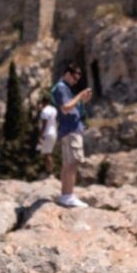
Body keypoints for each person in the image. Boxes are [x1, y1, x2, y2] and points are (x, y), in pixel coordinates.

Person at [52, 62, 92, 208]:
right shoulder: (61, 88)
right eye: (74, 78)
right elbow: (66, 108)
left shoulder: (66, 89)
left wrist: (82, 100)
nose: (75, 81)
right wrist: (80, 96)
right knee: (72, 162)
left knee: (69, 162)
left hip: (71, 129)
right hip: (70, 129)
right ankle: (67, 195)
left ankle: (66, 194)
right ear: (67, 74)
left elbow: (72, 106)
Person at [37, 102, 59, 175]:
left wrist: (40, 136)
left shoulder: (44, 111)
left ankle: (49, 171)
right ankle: (49, 170)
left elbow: (44, 125)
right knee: (48, 153)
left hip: (47, 133)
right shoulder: (54, 109)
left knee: (47, 154)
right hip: (54, 133)